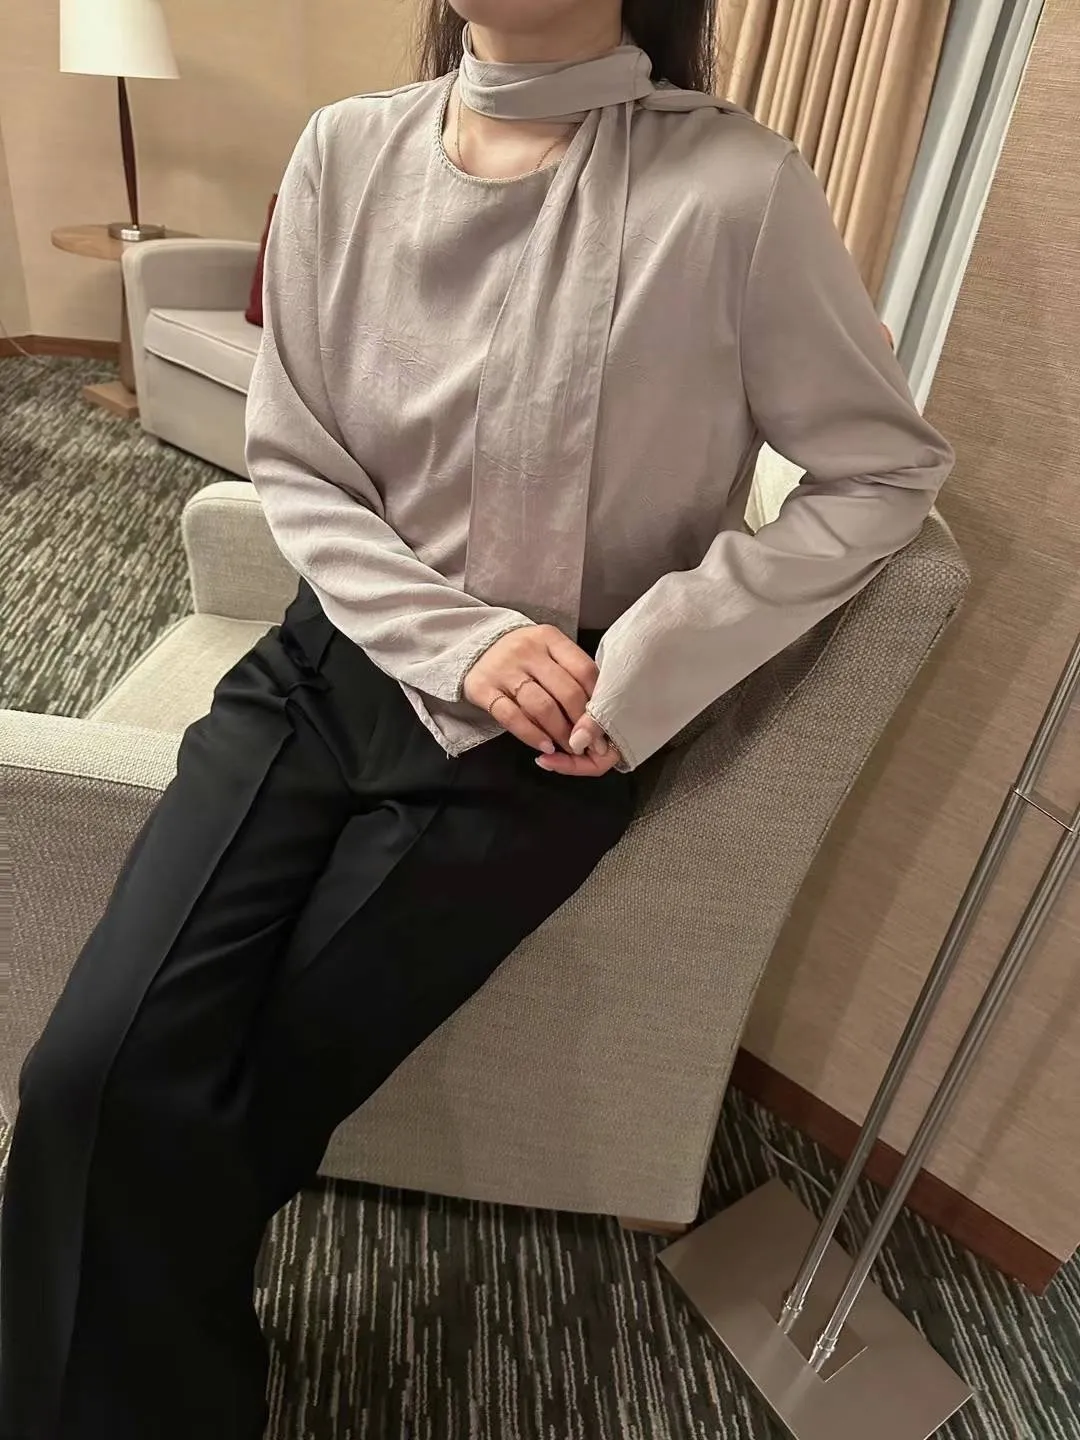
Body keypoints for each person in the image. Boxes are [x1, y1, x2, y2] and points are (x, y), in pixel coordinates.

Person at [0, 1, 954, 1436]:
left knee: (225, 1108)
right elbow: (297, 458)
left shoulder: (736, 190)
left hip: (544, 739)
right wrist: (460, 637)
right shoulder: (346, 150)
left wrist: (650, 668)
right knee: (86, 1076)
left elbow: (882, 472)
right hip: (331, 667)